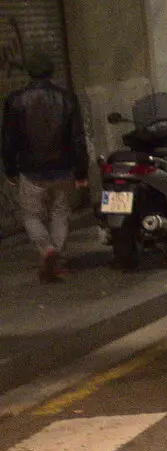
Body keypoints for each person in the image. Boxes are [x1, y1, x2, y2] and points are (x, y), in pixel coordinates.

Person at [3, 54, 88, 283]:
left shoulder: (15, 100)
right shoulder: (67, 98)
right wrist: (81, 172)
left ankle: (47, 250)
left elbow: (9, 139)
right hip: (62, 169)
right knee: (60, 213)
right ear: (51, 72)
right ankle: (56, 256)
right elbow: (77, 139)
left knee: (31, 215)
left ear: (29, 72)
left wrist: (10, 169)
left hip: (31, 171)